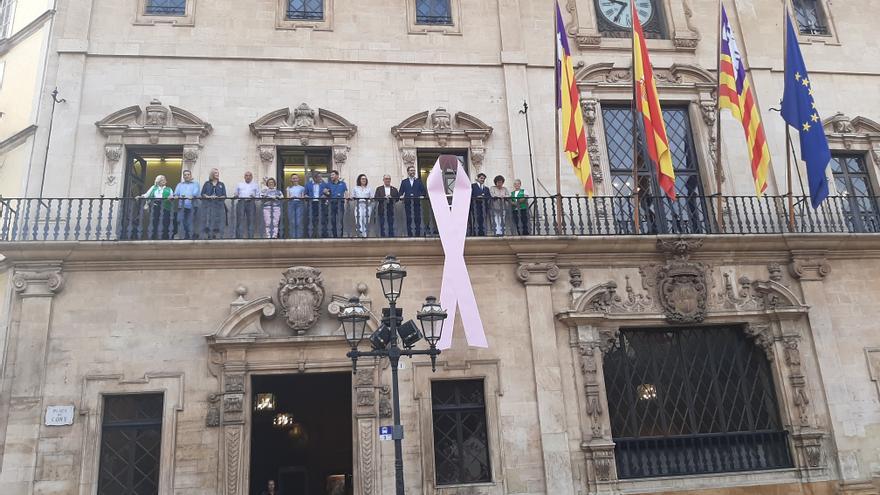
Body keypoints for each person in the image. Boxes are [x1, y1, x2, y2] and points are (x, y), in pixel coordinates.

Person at [140, 175, 174, 240]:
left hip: (165, 206)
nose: (164, 180)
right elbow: (147, 195)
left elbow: (171, 197)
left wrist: (171, 197)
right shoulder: (154, 187)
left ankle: (165, 238)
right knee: (154, 221)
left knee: (165, 222)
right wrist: (141, 196)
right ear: (158, 181)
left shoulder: (169, 189)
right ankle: (153, 237)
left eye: (164, 179)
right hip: (155, 206)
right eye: (162, 179)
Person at [399, 165, 426, 236]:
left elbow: (423, 191)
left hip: (416, 203)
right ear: (408, 172)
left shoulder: (419, 181)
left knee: (417, 218)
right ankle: (409, 234)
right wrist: (401, 196)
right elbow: (400, 192)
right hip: (407, 203)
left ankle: (417, 234)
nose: (413, 172)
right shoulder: (404, 182)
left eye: (413, 170)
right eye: (411, 170)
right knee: (409, 218)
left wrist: (421, 196)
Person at [173, 169, 200, 239]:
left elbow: (195, 193)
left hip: (192, 206)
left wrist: (192, 196)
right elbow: (176, 193)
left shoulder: (195, 184)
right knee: (179, 220)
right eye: (185, 175)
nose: (187, 176)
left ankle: (188, 236)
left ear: (191, 175)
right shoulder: (180, 184)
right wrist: (175, 196)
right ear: (183, 176)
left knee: (189, 222)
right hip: (181, 206)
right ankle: (192, 234)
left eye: (188, 174)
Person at [201, 168, 227, 239]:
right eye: (215, 173)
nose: (217, 174)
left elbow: (224, 195)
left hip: (218, 205)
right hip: (208, 205)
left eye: (218, 173)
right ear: (212, 174)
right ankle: (209, 234)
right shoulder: (207, 183)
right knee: (208, 219)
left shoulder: (221, 184)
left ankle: (214, 234)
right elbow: (203, 193)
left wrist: (218, 197)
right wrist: (209, 196)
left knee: (217, 220)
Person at [234, 171, 260, 238]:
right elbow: (235, 194)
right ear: (244, 177)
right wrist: (236, 196)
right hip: (241, 203)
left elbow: (258, 197)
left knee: (251, 221)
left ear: (252, 177)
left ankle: (250, 237)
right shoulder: (239, 184)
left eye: (250, 175)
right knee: (240, 220)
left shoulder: (255, 185)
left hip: (251, 203)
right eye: (246, 175)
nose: (248, 177)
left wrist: (254, 197)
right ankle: (239, 237)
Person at [326, 170, 348, 238]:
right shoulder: (329, 184)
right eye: (331, 175)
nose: (331, 176)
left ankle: (340, 235)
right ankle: (335, 235)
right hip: (332, 204)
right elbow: (326, 192)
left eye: (333, 175)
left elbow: (346, 192)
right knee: (333, 220)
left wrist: (347, 198)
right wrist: (327, 193)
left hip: (340, 203)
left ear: (337, 176)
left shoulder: (343, 183)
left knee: (340, 220)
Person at [306, 171, 328, 237]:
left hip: (321, 203)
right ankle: (311, 235)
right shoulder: (308, 184)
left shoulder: (324, 184)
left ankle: (322, 235)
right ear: (314, 178)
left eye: (321, 177)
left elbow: (328, 193)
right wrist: (306, 196)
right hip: (311, 203)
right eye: (319, 177)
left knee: (322, 219)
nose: (321, 178)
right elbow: (305, 193)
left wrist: (326, 195)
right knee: (311, 219)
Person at [285, 173, 305, 238]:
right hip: (291, 203)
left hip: (299, 203)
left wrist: (298, 197)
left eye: (296, 178)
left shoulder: (302, 188)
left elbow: (302, 198)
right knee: (292, 221)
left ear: (298, 179)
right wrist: (292, 197)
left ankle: (299, 236)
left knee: (299, 221)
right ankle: (293, 236)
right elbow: (287, 197)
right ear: (291, 179)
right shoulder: (288, 188)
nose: (295, 179)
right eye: (293, 178)